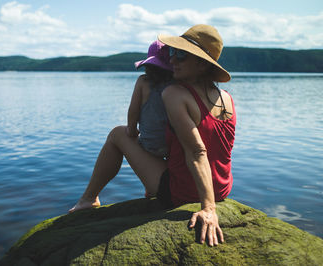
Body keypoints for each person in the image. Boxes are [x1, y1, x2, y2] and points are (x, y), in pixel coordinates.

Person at [69, 24, 236, 247]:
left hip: (183, 192)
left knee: (118, 134)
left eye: (181, 54)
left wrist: (208, 209)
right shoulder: (226, 97)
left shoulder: (175, 94)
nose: (173, 60)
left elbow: (198, 151)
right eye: (171, 53)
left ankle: (88, 199)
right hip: (222, 187)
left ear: (202, 63)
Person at [127, 40, 173, 158]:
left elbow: (133, 111)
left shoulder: (143, 81)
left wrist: (131, 131)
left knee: (117, 133)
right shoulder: (177, 84)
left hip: (151, 145)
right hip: (174, 148)